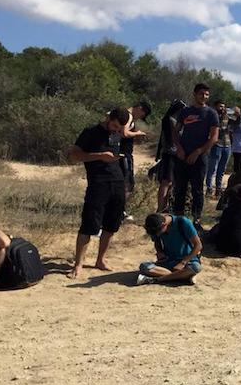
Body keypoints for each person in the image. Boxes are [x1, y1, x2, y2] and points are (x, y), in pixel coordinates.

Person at [67, 107, 131, 279]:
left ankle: (100, 260)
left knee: (111, 224)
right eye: (115, 126)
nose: (117, 130)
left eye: (120, 128)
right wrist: (100, 156)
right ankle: (78, 264)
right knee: (89, 224)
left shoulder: (116, 134)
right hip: (98, 183)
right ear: (108, 118)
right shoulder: (90, 132)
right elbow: (74, 155)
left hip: (117, 182)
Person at [171, 83, 220, 227]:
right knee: (179, 188)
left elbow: (214, 137)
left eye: (207, 94)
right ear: (195, 94)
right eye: (201, 93)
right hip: (182, 155)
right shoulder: (185, 111)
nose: (204, 96)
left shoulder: (211, 113)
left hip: (199, 157)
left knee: (197, 189)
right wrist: (179, 148)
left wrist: (198, 152)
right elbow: (175, 131)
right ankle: (177, 217)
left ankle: (196, 218)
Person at [139, 212, 202, 285]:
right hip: (169, 261)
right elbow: (157, 242)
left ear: (164, 225)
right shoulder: (154, 225)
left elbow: (198, 245)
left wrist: (183, 262)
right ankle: (183, 276)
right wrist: (160, 252)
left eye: (159, 232)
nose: (157, 235)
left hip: (187, 262)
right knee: (144, 266)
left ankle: (156, 279)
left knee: (196, 267)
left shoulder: (183, 222)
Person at [155, 100, 187, 213]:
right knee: (167, 182)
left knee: (169, 182)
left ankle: (164, 207)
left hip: (170, 153)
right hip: (171, 153)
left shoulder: (168, 119)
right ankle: (161, 208)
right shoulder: (172, 121)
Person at [119, 102, 151, 197]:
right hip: (124, 153)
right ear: (139, 108)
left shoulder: (124, 115)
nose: (140, 118)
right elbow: (124, 133)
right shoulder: (128, 116)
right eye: (142, 115)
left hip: (123, 152)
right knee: (127, 181)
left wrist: (134, 136)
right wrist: (138, 133)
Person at [205, 100, 231, 199]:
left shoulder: (227, 116)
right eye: (220, 106)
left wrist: (238, 115)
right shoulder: (212, 116)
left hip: (227, 144)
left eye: (223, 106)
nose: (222, 108)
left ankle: (218, 189)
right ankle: (209, 188)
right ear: (215, 107)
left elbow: (237, 122)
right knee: (213, 168)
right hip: (216, 144)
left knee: (222, 169)